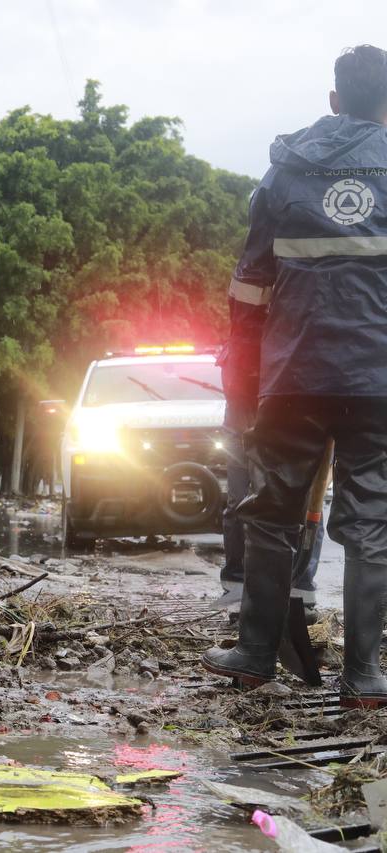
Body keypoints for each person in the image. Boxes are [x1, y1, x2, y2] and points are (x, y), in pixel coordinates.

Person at [203, 45, 387, 709]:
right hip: (377, 380)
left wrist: (244, 388)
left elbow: (248, 290)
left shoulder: (286, 171)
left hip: (294, 372)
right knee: (371, 521)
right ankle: (363, 675)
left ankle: (255, 655)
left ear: (334, 100)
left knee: (272, 512)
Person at [219, 360, 322, 622]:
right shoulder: (250, 333)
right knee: (240, 504)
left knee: (308, 506)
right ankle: (238, 588)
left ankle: (301, 592)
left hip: (295, 409)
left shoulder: (299, 332)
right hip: (246, 409)